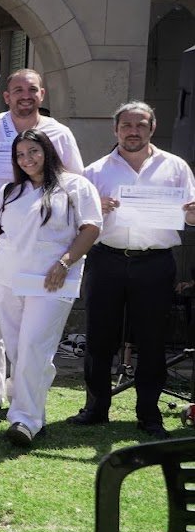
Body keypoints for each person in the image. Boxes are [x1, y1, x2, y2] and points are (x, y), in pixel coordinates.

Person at [0, 129, 102, 446]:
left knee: (32, 349)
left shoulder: (75, 186)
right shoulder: (11, 191)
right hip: (7, 280)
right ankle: (31, 411)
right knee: (19, 352)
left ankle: (24, 421)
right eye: (20, 155)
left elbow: (91, 228)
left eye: (33, 151)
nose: (27, 159)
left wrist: (65, 263)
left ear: (47, 151)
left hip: (51, 282)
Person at [75, 102, 195, 437]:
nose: (133, 131)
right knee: (100, 338)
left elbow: (190, 215)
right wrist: (94, 207)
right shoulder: (96, 170)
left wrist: (190, 213)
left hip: (155, 262)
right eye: (126, 125)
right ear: (116, 130)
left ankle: (149, 414)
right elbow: (77, 219)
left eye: (140, 125)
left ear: (152, 128)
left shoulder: (175, 167)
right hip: (106, 258)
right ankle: (96, 408)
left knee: (152, 340)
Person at [0, 69, 84, 190]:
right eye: (18, 90)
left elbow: (76, 180)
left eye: (32, 90)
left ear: (42, 94)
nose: (26, 96)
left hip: (41, 207)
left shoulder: (60, 133)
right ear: (7, 97)